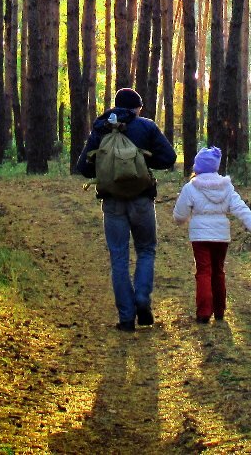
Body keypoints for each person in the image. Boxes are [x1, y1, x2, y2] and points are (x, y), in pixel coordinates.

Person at [76, 87, 177, 332]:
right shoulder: (146, 127)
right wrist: (141, 161)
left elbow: (84, 168)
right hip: (142, 199)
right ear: (136, 108)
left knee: (118, 257)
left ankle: (125, 318)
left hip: (111, 202)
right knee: (146, 250)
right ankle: (142, 298)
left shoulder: (101, 128)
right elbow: (169, 157)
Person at [172, 145, 251, 323]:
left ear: (197, 167)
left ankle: (204, 312)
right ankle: (220, 310)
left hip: (200, 237)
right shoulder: (226, 187)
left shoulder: (191, 187)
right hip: (221, 236)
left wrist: (179, 220)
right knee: (218, 271)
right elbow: (240, 207)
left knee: (203, 271)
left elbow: (180, 215)